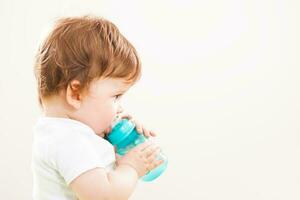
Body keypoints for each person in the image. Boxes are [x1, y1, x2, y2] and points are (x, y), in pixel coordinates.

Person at [31, 15, 163, 200]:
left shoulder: (68, 134)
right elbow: (104, 195)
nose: (119, 108)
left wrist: (121, 141)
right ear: (76, 94)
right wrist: (131, 167)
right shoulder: (68, 140)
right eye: (115, 97)